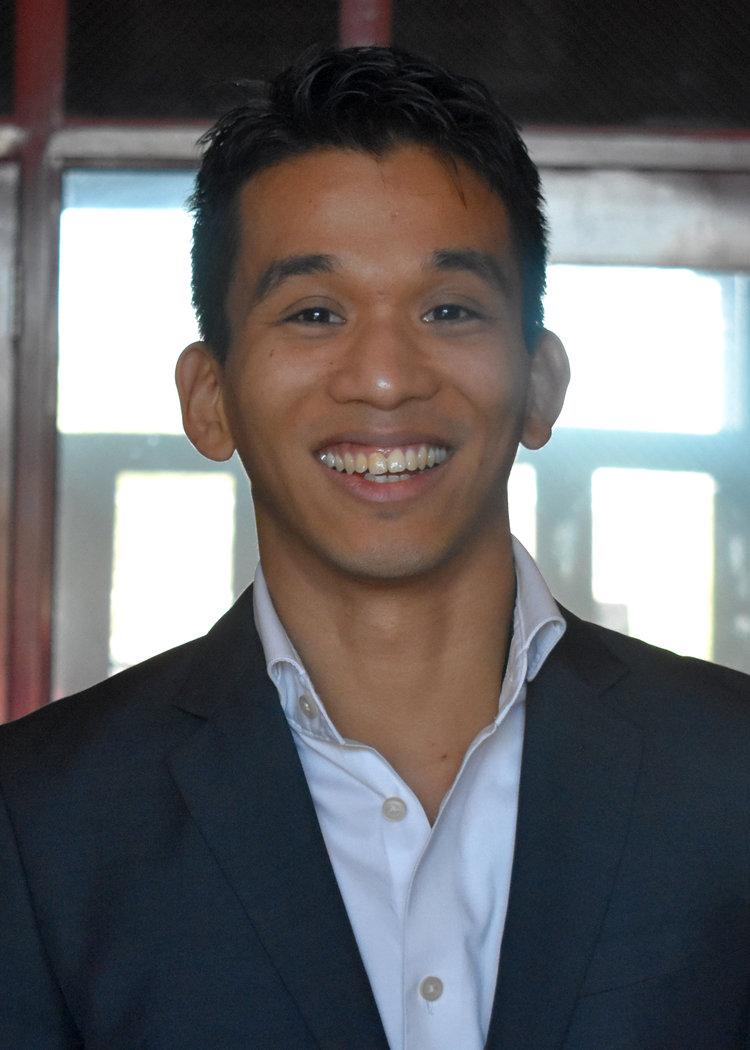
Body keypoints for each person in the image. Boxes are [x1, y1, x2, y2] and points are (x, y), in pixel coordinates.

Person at [1, 45, 748, 1050]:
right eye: (314, 312)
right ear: (209, 398)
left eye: (449, 309)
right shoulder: (41, 818)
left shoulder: (730, 772)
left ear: (540, 384)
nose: (387, 378)